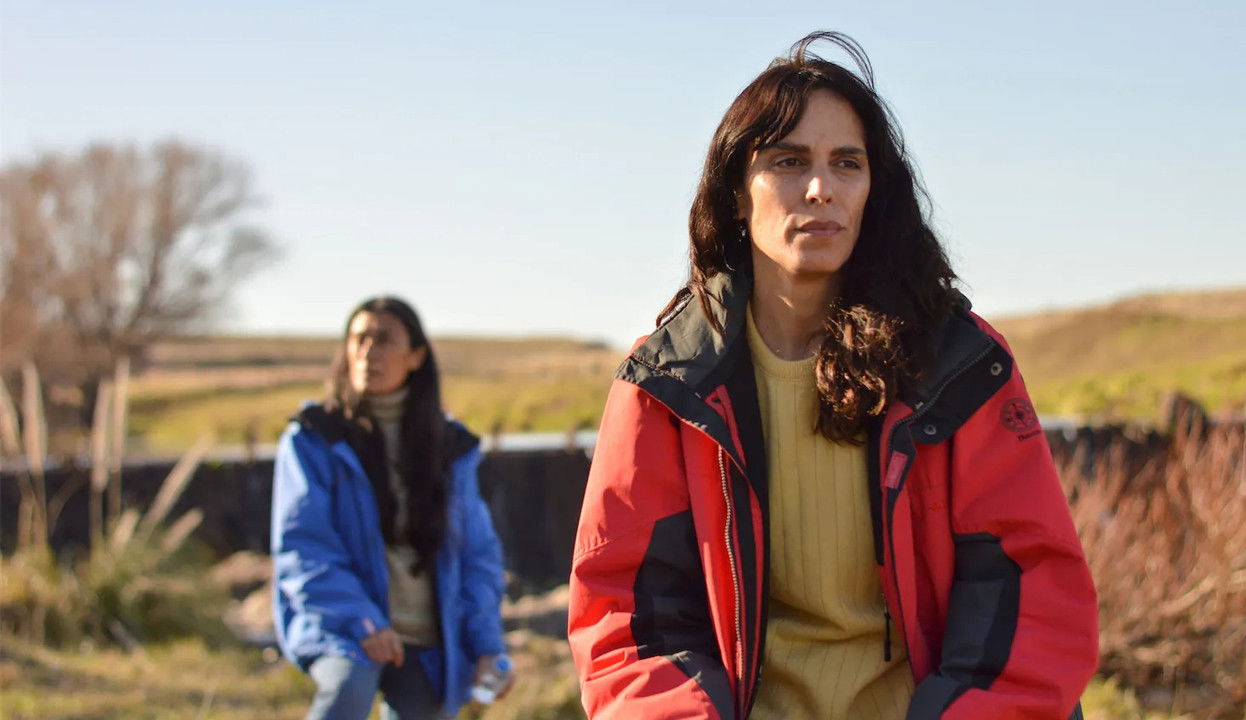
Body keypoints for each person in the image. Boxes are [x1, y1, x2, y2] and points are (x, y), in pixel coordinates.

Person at [567, 31, 1098, 720]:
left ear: (872, 190)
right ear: (736, 193)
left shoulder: (958, 366)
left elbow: (1033, 593)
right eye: (789, 162)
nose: (821, 188)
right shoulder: (666, 384)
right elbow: (627, 617)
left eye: (846, 163)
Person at [272, 296, 510, 719]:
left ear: (415, 356)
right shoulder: (314, 438)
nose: (368, 352)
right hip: (346, 629)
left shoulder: (450, 447)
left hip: (427, 638)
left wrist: (487, 648)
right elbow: (303, 548)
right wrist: (363, 622)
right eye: (358, 339)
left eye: (384, 340)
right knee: (345, 694)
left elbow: (478, 556)